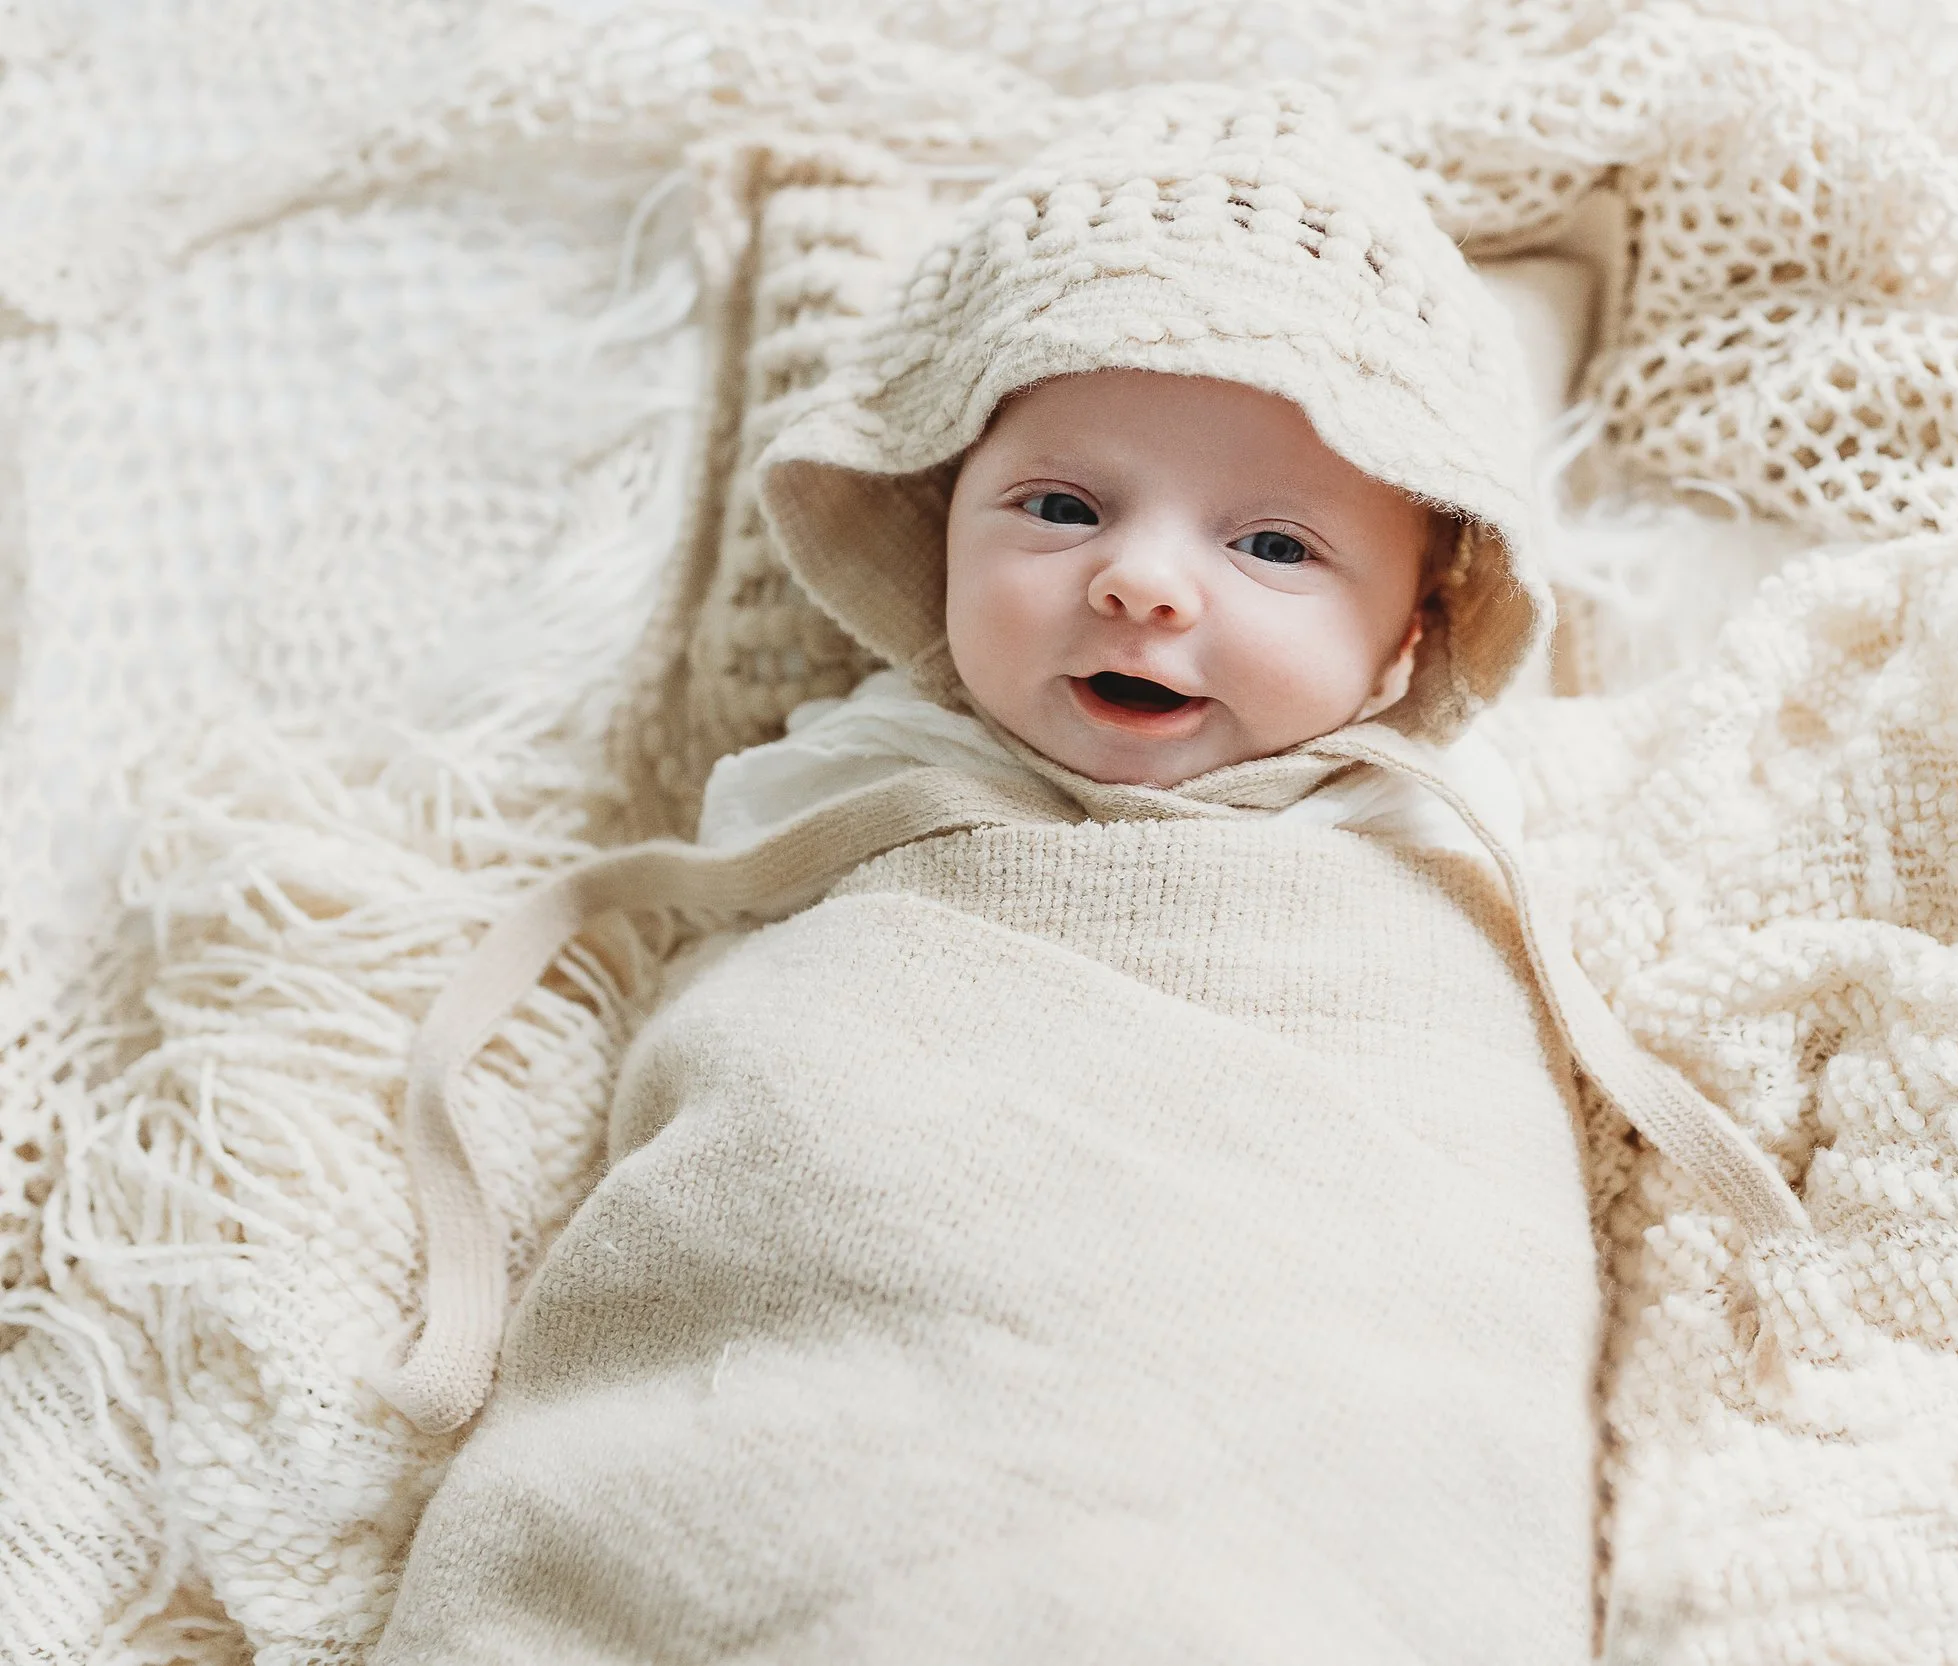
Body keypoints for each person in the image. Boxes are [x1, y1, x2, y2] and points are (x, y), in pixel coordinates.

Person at [371, 84, 1799, 1664]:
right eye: (1059, 507)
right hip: (820, 1412)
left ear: (1416, 633)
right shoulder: (851, 771)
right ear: (938, 529)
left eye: (1272, 546)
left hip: (1273, 1497)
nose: (1139, 578)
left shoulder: (1449, 829)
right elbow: (772, 1105)